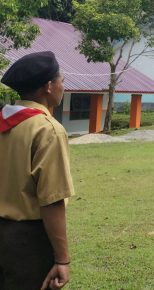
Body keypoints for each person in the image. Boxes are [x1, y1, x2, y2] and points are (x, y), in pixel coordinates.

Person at [0, 51, 75, 290]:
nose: (63, 86)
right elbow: (51, 201)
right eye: (61, 81)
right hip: (27, 241)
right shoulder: (47, 130)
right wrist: (62, 258)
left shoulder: (4, 122)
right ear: (49, 86)